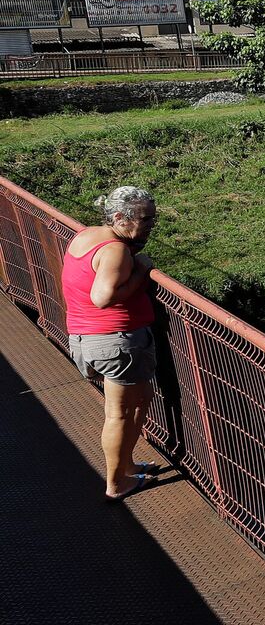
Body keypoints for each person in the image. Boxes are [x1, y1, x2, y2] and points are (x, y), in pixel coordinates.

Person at [61, 186, 160, 500]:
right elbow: (102, 297)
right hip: (115, 342)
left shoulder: (85, 236)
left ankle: (127, 466)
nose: (151, 224)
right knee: (117, 413)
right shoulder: (115, 249)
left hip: (87, 338)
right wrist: (141, 272)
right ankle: (117, 484)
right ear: (119, 217)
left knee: (141, 398)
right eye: (145, 219)